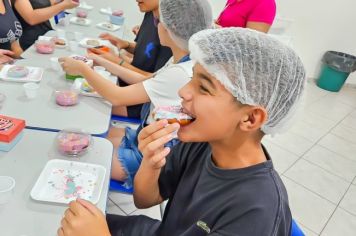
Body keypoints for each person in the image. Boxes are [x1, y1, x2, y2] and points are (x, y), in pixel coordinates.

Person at [58, 27, 306, 236]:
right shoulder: (200, 144)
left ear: (251, 118)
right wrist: (151, 163)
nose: (183, 92)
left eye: (204, 88)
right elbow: (144, 200)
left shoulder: (256, 210)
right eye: (192, 79)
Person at [59, 0, 213, 188]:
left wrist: (83, 69)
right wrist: (102, 62)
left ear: (169, 28)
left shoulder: (179, 72)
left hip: (151, 158)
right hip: (146, 138)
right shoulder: (181, 60)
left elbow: (117, 96)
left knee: (74, 153)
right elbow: (145, 82)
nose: (156, 27)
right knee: (87, 136)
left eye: (158, 22)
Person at [90, 0, 173, 118]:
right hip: (127, 83)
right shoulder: (150, 14)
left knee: (89, 103)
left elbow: (151, 79)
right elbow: (147, 51)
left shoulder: (171, 31)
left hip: (140, 100)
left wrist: (117, 60)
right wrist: (124, 44)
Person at [11, 0, 78, 50]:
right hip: (30, 41)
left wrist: (64, 2)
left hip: (46, 35)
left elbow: (46, 3)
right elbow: (31, 18)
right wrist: (63, 5)